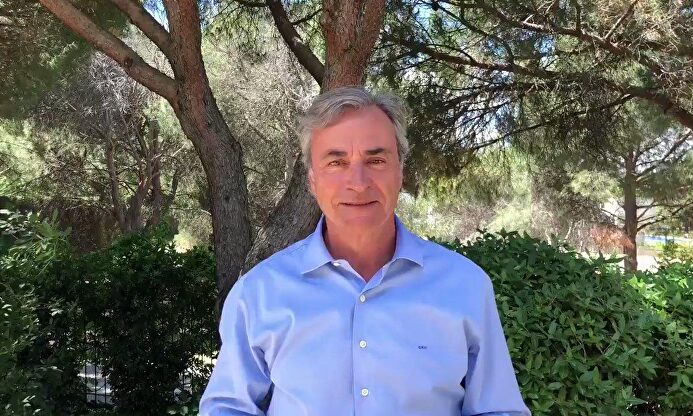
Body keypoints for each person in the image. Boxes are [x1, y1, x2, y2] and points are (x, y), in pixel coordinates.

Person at [199, 87, 531, 416]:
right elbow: (228, 408)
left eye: (376, 160)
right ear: (312, 180)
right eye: (336, 162)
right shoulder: (258, 293)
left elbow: (499, 410)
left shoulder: (465, 286)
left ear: (400, 171)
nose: (358, 182)